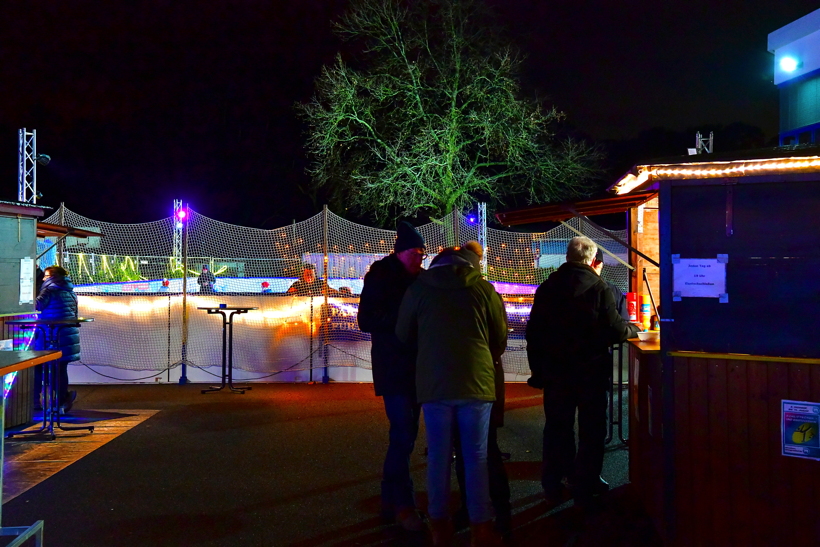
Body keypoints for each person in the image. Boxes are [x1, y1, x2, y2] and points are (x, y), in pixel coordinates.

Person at [396, 243, 508, 546]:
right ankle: (481, 529)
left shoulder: (420, 289)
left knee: (438, 457)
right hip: (476, 381)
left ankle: (439, 527)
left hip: (434, 384)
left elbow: (403, 334)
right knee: (476, 457)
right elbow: (500, 338)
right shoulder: (484, 290)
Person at [526, 236, 638, 509]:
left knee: (557, 428)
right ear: (591, 258)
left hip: (556, 373)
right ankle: (586, 483)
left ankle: (553, 483)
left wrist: (537, 370)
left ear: (568, 256)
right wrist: (632, 330)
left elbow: (534, 333)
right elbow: (614, 329)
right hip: (591, 371)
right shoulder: (600, 288)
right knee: (592, 429)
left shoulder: (548, 288)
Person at [357, 221, 426, 533]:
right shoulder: (381, 278)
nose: (419, 259)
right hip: (394, 366)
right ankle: (403, 504)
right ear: (401, 253)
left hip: (414, 367)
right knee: (403, 434)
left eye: (422, 254)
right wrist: (404, 323)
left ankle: (391, 499)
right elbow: (366, 320)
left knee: (405, 434)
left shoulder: (418, 279)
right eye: (416, 253)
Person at [34, 265, 80, 413]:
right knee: (60, 369)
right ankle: (62, 400)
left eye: (46, 276)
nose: (43, 279)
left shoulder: (49, 291)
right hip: (67, 337)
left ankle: (40, 401)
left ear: (53, 277)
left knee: (40, 368)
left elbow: (35, 305)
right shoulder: (70, 292)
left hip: (51, 336)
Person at [591, 249, 628, 320]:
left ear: (601, 266)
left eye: (597, 266)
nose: (594, 270)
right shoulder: (576, 288)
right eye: (592, 266)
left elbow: (624, 320)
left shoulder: (613, 290)